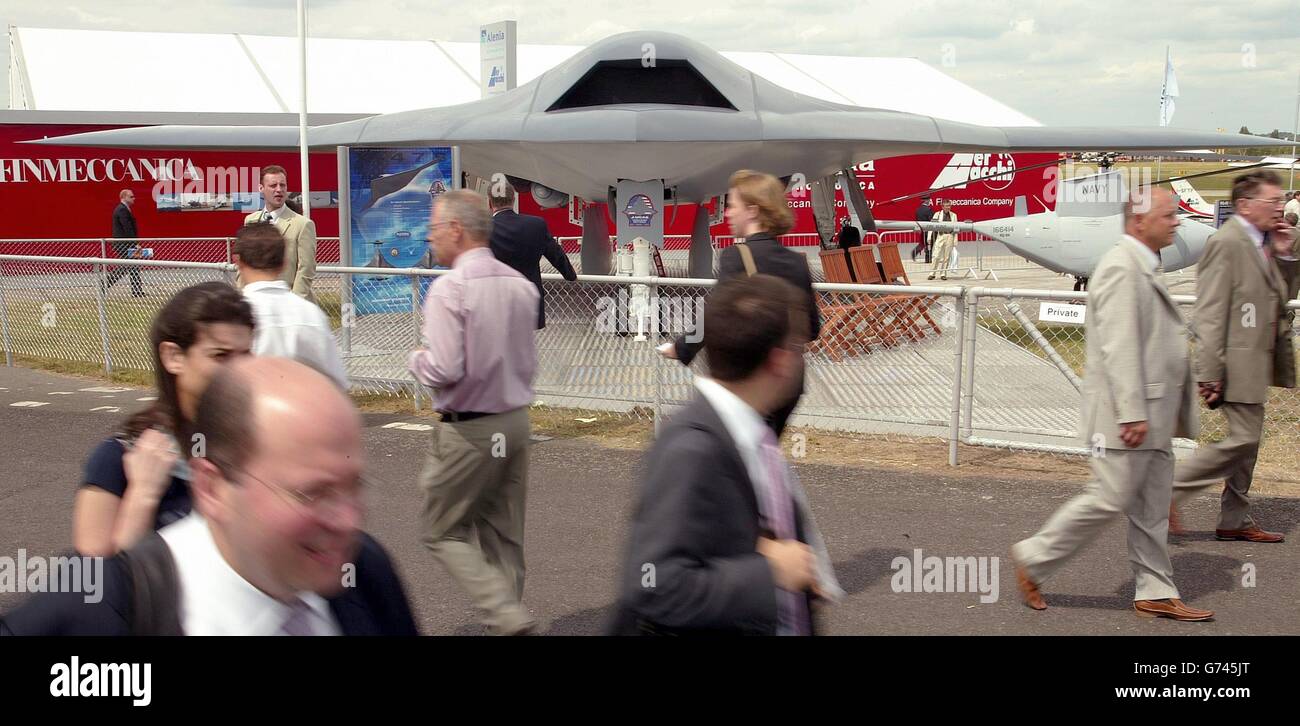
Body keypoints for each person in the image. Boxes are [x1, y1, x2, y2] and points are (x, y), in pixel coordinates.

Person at [1, 357, 419, 636]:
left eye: (353, 486)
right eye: (312, 494)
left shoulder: (363, 571)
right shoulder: (105, 606)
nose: (347, 520)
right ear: (212, 487)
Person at [1012, 187, 1213, 621]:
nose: (1177, 222)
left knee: (1152, 507)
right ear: (1140, 221)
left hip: (1153, 413)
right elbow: (1119, 346)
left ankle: (1156, 591)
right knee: (1109, 498)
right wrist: (1133, 412)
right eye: (1168, 215)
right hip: (1128, 416)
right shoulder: (1123, 268)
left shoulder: (1143, 265)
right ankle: (1034, 558)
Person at [612, 274, 842, 635]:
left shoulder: (750, 435)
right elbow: (654, 584)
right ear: (779, 362)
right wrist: (772, 573)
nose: (802, 361)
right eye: (800, 348)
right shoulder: (693, 450)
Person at [408, 190, 540, 635]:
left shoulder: (449, 288)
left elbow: (443, 368)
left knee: (442, 529)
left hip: (469, 430)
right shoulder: (521, 286)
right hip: (515, 420)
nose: (431, 237)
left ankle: (505, 615)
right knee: (504, 535)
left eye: (433, 229)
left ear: (456, 230)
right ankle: (507, 619)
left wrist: (415, 359)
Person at [71, 282, 254, 557]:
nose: (239, 370)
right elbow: (96, 584)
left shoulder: (262, 445)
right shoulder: (119, 459)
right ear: (173, 356)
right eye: (221, 355)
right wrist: (143, 495)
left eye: (246, 355)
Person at [1169, 170, 1296, 542]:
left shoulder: (1263, 241)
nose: (1281, 207)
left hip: (1257, 359)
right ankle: (1171, 490)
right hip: (1233, 362)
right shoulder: (1227, 242)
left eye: (1281, 199)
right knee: (1243, 440)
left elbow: (1281, 296)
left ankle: (1235, 520)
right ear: (1245, 205)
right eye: (1273, 201)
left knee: (1249, 445)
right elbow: (1209, 311)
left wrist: (1286, 255)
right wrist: (1209, 372)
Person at [659, 169, 822, 437]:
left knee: (730, 455)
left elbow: (716, 318)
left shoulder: (735, 257)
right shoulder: (797, 262)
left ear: (753, 211)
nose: (727, 213)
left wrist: (681, 348)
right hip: (788, 383)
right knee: (761, 452)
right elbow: (813, 329)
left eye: (732, 206)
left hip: (749, 378)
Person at [234, 222, 347, 389]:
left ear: (237, 262)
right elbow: (336, 383)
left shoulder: (229, 316)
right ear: (285, 263)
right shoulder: (311, 315)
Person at [487, 183, 577, 329]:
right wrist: (570, 275)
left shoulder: (484, 228)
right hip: (528, 301)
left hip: (496, 303)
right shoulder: (536, 225)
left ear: (489, 203)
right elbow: (556, 254)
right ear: (513, 199)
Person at [243, 165, 317, 302]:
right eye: (273, 185)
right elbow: (243, 262)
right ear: (261, 188)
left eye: (282, 185)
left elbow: (306, 268)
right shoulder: (250, 220)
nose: (279, 190)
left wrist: (294, 302)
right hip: (256, 301)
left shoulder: (302, 224)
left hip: (291, 302)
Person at [104, 189, 144, 297]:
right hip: (123, 244)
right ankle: (104, 284)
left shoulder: (124, 209)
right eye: (131, 196)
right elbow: (127, 228)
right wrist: (135, 243)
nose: (134, 198)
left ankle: (137, 291)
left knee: (133, 266)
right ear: (124, 197)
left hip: (126, 244)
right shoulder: (122, 210)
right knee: (128, 266)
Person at [927, 199, 958, 280]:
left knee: (946, 257)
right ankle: (932, 273)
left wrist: (955, 240)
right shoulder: (937, 214)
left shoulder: (954, 215)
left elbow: (956, 228)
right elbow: (931, 226)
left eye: (949, 205)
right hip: (940, 236)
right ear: (942, 207)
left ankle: (943, 273)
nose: (948, 207)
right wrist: (929, 237)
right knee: (936, 255)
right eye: (947, 206)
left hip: (950, 236)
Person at [913, 195, 934, 262]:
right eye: (929, 200)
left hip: (922, 229)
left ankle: (915, 252)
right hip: (928, 229)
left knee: (923, 243)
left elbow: (916, 219)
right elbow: (931, 220)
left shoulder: (918, 209)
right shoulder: (929, 209)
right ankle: (928, 258)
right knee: (930, 243)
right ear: (927, 200)